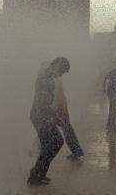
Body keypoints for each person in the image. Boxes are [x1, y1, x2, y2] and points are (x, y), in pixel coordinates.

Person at [28, 57, 69, 186]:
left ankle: (38, 174)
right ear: (57, 66)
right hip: (40, 116)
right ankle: (35, 175)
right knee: (54, 143)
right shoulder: (45, 78)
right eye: (62, 71)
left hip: (43, 116)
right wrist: (55, 117)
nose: (61, 75)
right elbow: (43, 103)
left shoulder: (49, 77)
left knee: (52, 144)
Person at [55, 72, 84, 159]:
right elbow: (60, 97)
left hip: (59, 110)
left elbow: (58, 97)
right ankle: (77, 151)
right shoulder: (57, 80)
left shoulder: (55, 80)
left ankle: (76, 151)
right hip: (61, 109)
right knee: (68, 130)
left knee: (67, 130)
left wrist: (58, 110)